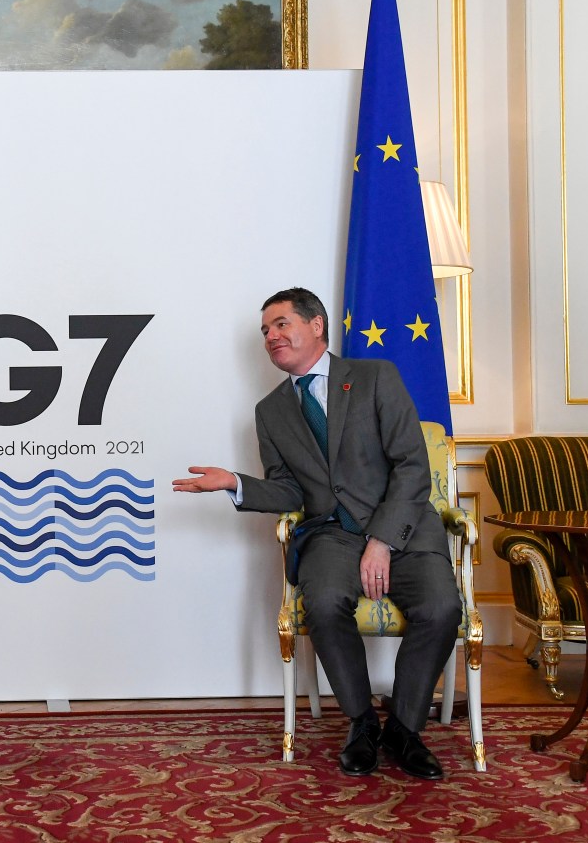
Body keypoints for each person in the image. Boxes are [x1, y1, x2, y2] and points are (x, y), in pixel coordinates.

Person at [173, 287, 460, 780]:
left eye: (281, 324)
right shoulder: (271, 412)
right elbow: (288, 490)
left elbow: (412, 466)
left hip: (403, 529)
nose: (271, 336)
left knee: (441, 608)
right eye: (265, 330)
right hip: (332, 536)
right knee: (323, 603)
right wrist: (235, 484)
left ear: (316, 326)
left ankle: (405, 730)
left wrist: (382, 540)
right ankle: (363, 723)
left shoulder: (375, 378)